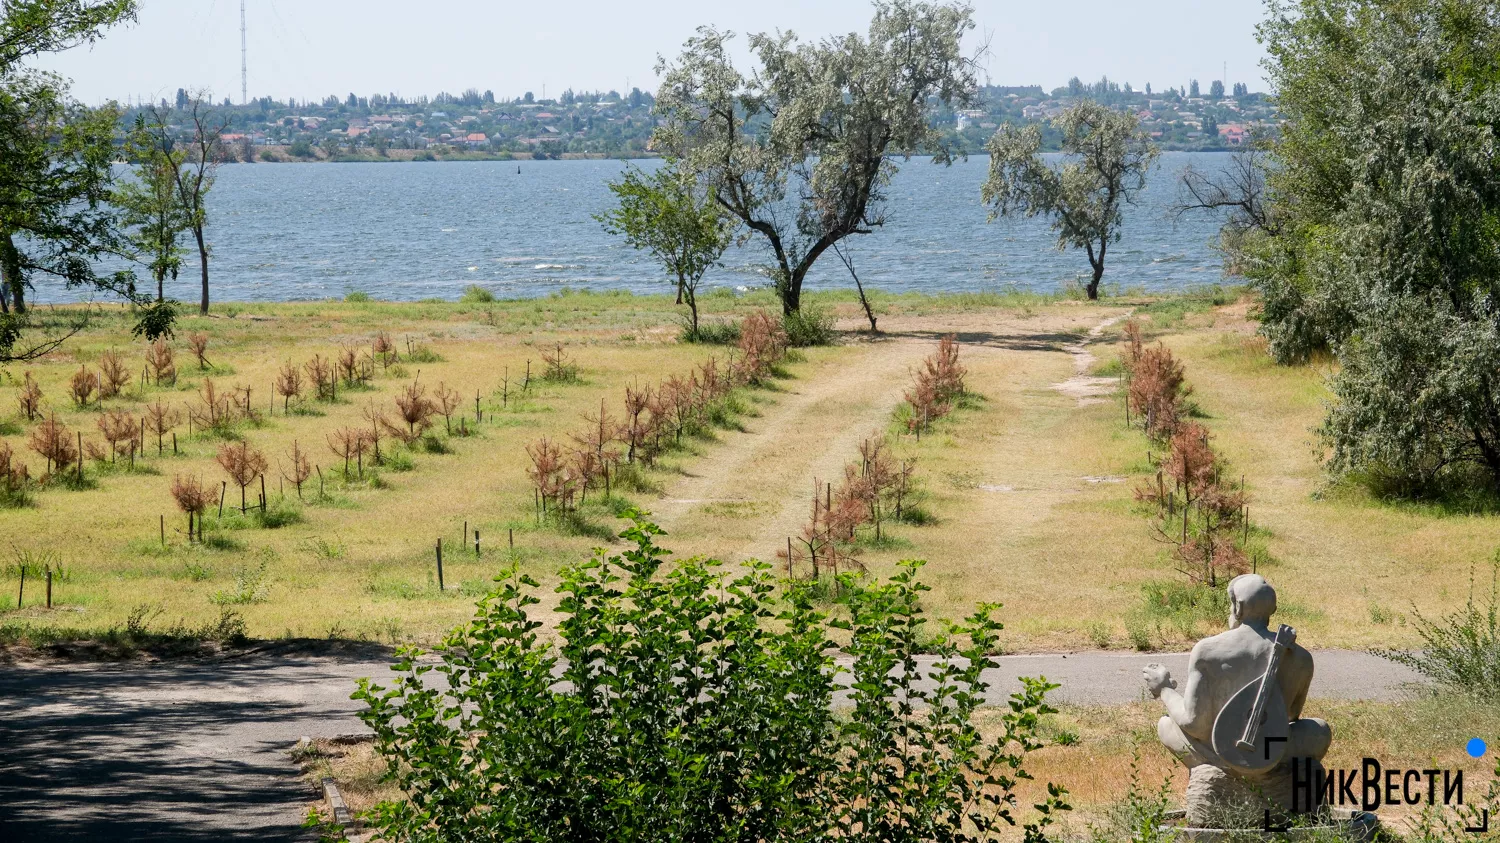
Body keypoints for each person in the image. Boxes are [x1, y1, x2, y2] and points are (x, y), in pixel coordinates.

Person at [1142, 574, 1331, 771]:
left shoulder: (1207, 650)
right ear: (1273, 608)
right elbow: (1290, 716)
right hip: (1271, 750)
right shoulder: (1300, 656)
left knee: (1166, 725)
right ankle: (1269, 776)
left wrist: (1164, 688)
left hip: (1220, 751)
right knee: (1319, 730)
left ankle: (1224, 772)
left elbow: (1194, 724)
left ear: (1238, 607)